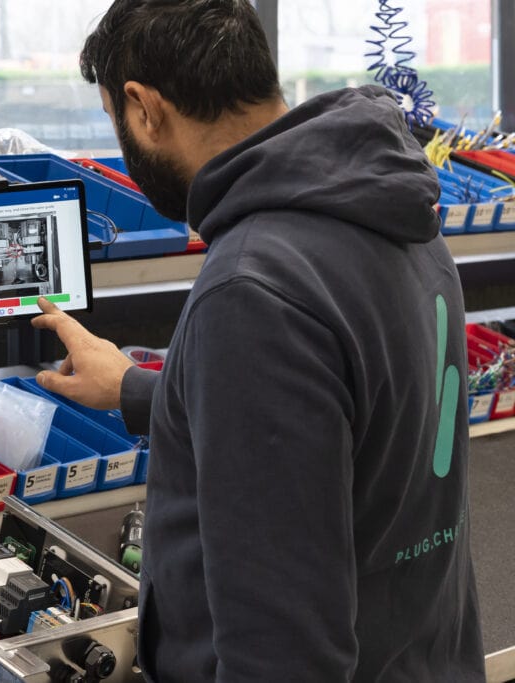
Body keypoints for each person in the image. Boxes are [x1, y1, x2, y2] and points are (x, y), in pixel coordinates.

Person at [32, 1, 485, 680]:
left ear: (144, 107)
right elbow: (339, 425)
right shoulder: (397, 213)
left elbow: (284, 653)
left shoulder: (252, 289)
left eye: (113, 120)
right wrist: (134, 387)